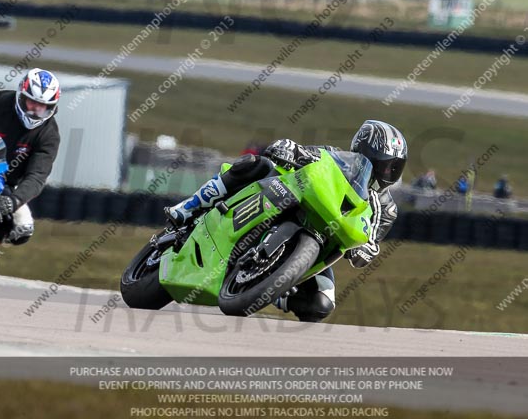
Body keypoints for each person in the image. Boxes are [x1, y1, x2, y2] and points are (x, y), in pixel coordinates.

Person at [166, 119, 407, 322]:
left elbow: (372, 241)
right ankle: (189, 207)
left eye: (394, 168)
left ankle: (274, 285)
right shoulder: (337, 157)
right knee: (257, 164)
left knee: (321, 304)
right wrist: (290, 149)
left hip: (320, 245)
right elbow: (308, 153)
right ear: (364, 152)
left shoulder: (387, 209)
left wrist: (365, 249)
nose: (388, 173)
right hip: (290, 201)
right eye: (384, 165)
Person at [0, 68, 61, 245]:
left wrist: (14, 200)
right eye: (32, 103)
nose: (36, 110)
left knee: (21, 229)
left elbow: (37, 176)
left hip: (4, 185)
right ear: (21, 96)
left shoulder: (49, 135)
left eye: (43, 107)